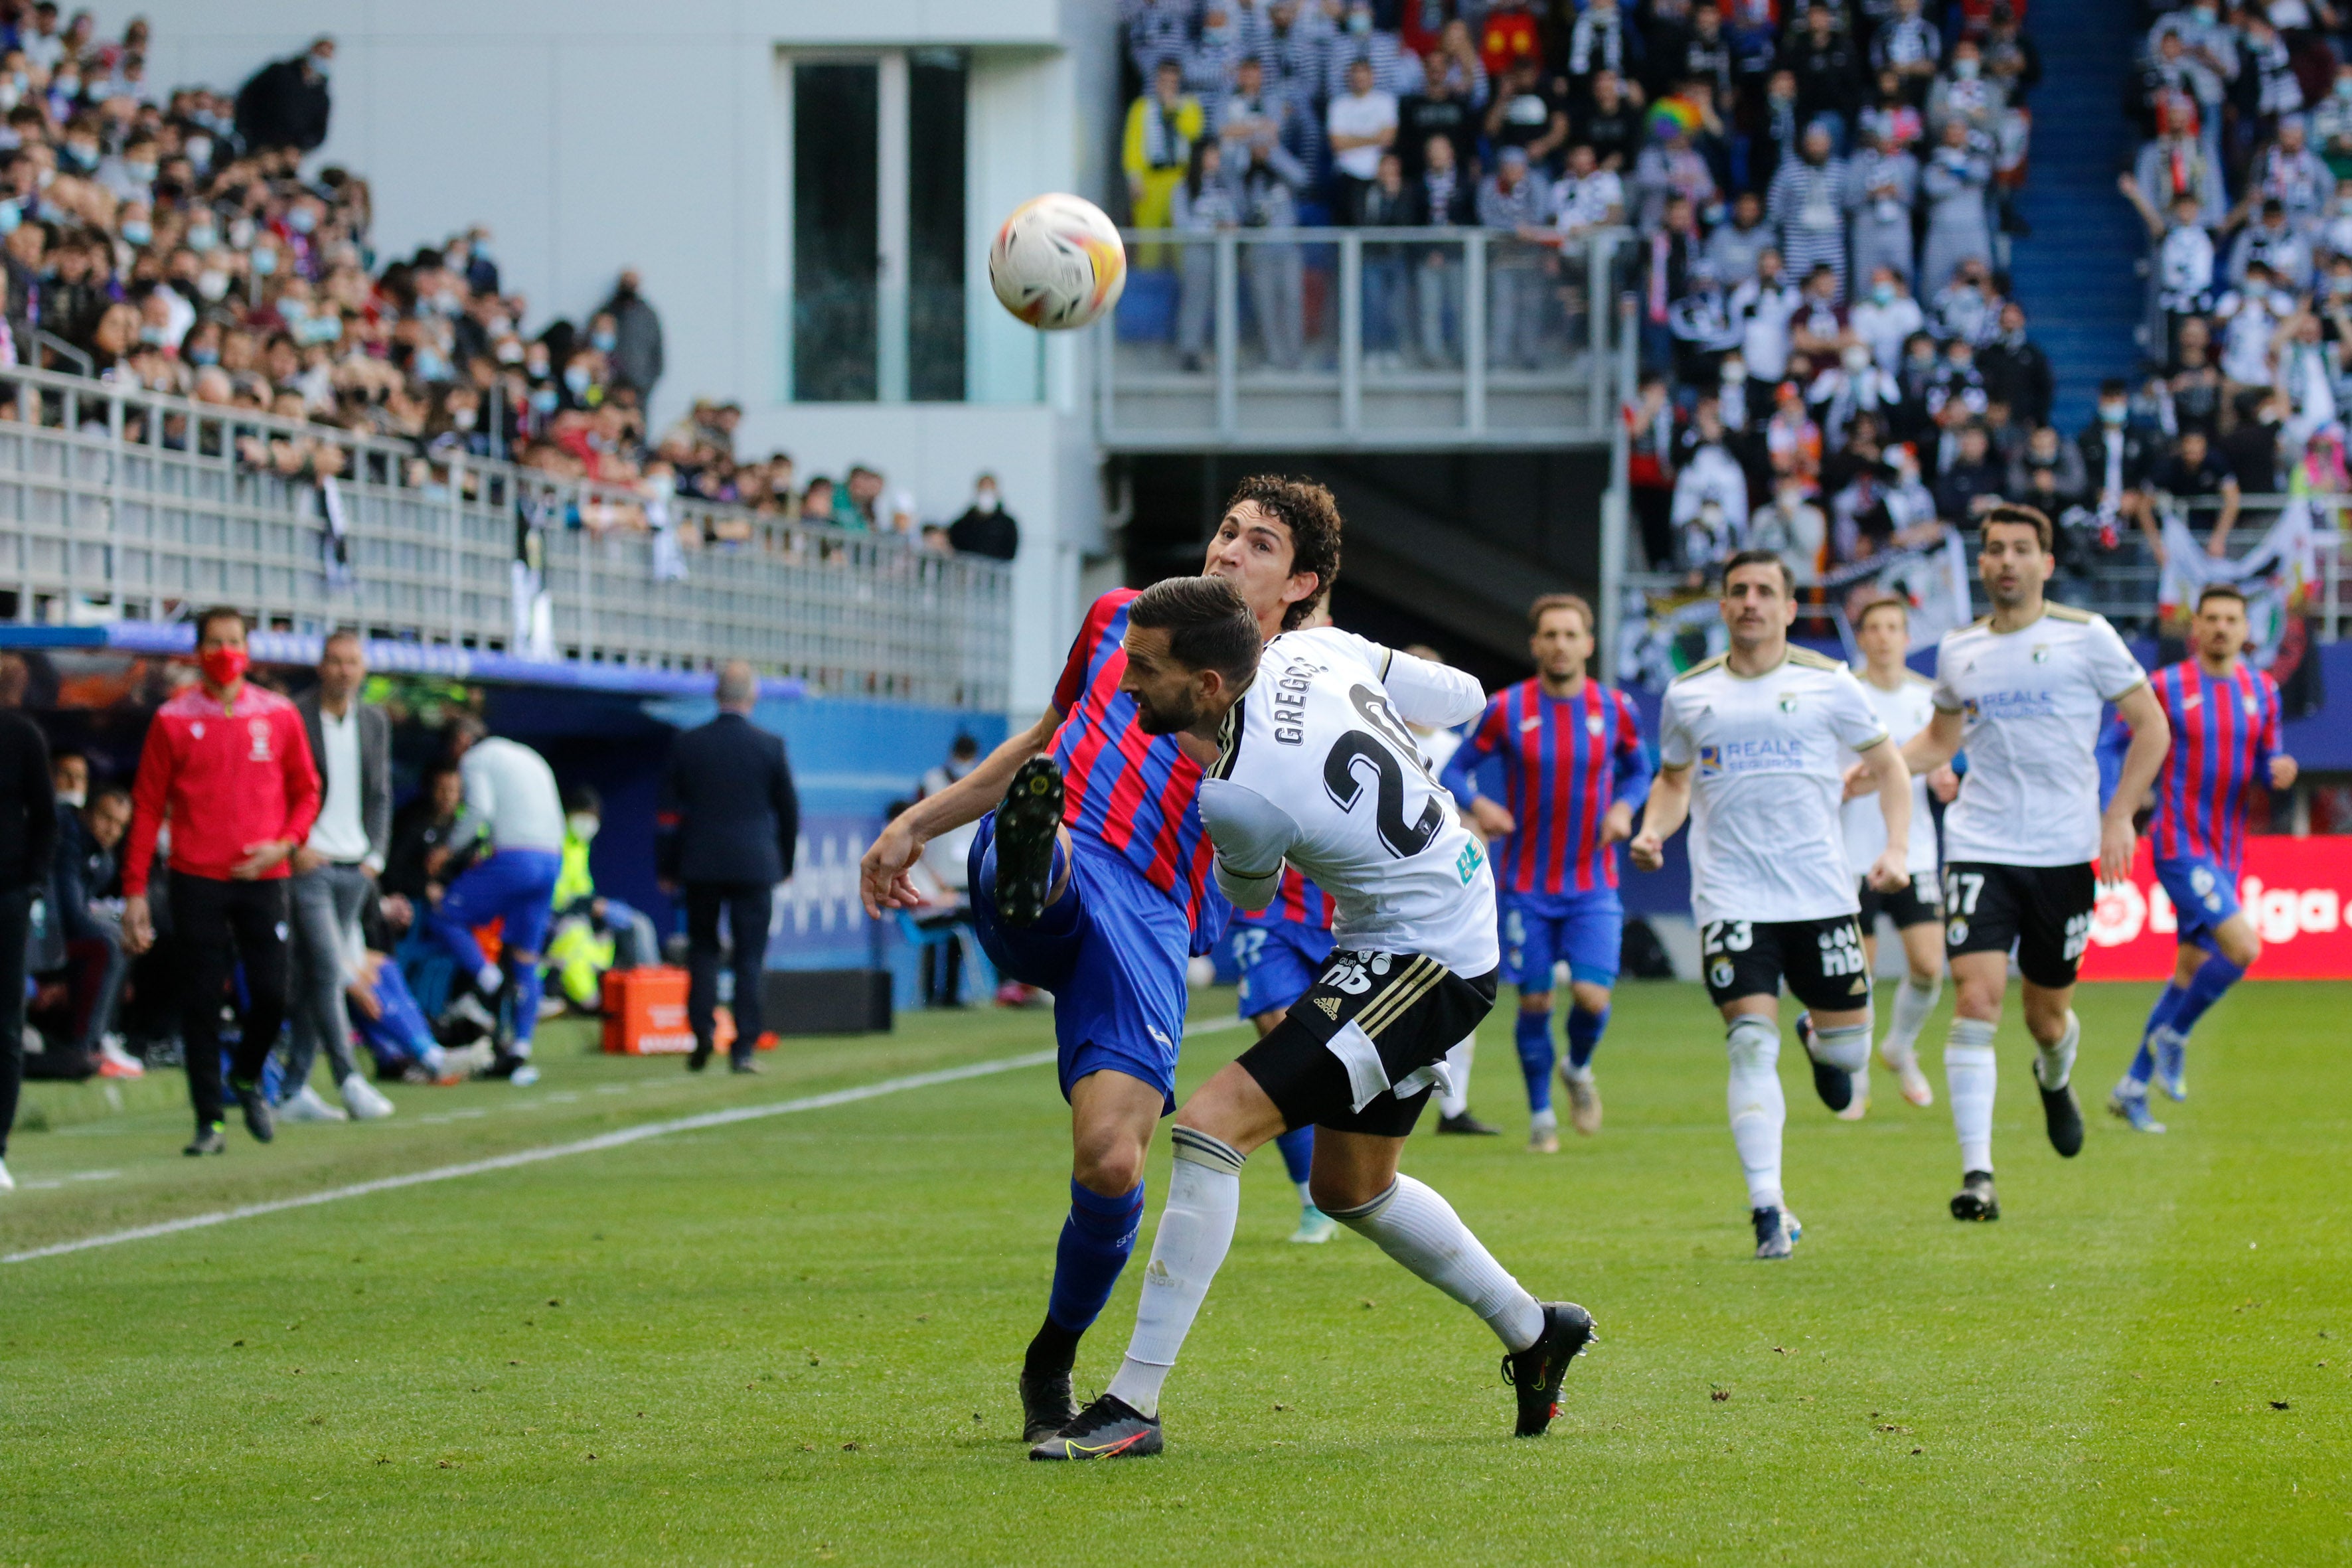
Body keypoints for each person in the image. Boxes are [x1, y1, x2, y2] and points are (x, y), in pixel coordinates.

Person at [1034, 576, 1593, 1460]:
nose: (1125, 682)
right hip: (1431, 920)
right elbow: (1461, 697)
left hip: (1422, 953)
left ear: (1210, 685)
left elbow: (1245, 891)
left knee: (1210, 1127)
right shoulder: (1311, 647)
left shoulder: (1236, 791)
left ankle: (1132, 1401)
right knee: (1351, 1188)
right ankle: (1535, 1331)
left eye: (1142, 668)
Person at [859, 476, 1337, 1446]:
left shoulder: (1300, 697)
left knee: (1113, 1161)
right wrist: (915, 823)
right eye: (1226, 530)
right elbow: (1045, 735)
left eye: (1258, 546)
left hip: (1153, 919)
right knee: (1047, 824)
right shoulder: (1120, 616)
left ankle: (1052, 1354)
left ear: (1299, 584)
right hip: (1071, 845)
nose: (1227, 550)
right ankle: (1033, 857)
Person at [1630, 553, 1914, 1260]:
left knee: (1848, 1059)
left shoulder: (1829, 685)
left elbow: (1890, 768)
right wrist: (1653, 827)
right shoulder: (1690, 693)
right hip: (1731, 898)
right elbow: (1672, 781)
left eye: (1766, 592)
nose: (1751, 602)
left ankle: (1821, 1039)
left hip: (1822, 893)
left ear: (1791, 608)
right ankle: (1766, 1208)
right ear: (1723, 608)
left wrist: (1899, 849)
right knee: (1750, 1042)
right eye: (1738, 592)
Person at [1891, 506, 2170, 1221]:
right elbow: (1939, 739)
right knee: (1977, 1000)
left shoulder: (2088, 638)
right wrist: (1883, 767)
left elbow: (2151, 727)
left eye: (2020, 549)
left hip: (2064, 850)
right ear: (1981, 565)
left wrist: (2118, 816)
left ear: (2046, 563)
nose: (2006, 561)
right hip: (1981, 845)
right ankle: (1977, 1173)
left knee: (2047, 1019)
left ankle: (2054, 1076)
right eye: (1994, 550)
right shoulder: (1959, 649)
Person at [1440, 595, 1650, 1148]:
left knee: (1591, 998)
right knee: (1534, 1000)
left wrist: (1627, 808)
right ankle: (1541, 1118)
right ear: (1535, 645)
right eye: (1549, 635)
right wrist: (1480, 806)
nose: (1560, 644)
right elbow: (1455, 770)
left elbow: (1638, 770)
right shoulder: (1507, 708)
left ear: (1588, 643)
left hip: (1592, 883)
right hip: (1526, 885)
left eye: (1569, 634)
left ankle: (1578, 1069)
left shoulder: (1615, 708)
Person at [121, 607, 321, 1155]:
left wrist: (285, 843)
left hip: (264, 875)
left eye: (233, 641)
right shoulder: (173, 719)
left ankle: (247, 1075)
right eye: (214, 641)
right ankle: (209, 1120)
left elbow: (307, 790)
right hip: (196, 878)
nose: (225, 651)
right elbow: (146, 807)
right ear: (197, 650)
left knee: (275, 996)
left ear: (248, 650)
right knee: (201, 1001)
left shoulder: (278, 715)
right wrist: (136, 889)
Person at [2109, 586, 2296, 1132]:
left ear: (2245, 629)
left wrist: (2277, 770)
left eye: (2230, 619)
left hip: (2228, 850)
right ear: (2194, 628)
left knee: (2189, 971)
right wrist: (2113, 808)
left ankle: (2132, 1086)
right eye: (2210, 618)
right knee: (2242, 947)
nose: (2220, 627)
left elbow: (2267, 763)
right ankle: (2174, 1037)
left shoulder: (2262, 690)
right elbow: (2112, 742)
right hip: (2178, 842)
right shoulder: (2164, 688)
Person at [1816, 597, 1948, 1117]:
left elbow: (1940, 756)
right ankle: (1858, 1076)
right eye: (1874, 627)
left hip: (1912, 850)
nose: (1884, 637)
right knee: (1858, 974)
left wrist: (1943, 778)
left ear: (1906, 636)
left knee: (1928, 965)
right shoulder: (1845, 693)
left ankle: (1898, 1046)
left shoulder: (1928, 697)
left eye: (1893, 627)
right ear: (1861, 636)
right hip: (1851, 852)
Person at [658, 661, 798, 1073]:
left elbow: (668, 816)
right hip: (756, 865)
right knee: (750, 956)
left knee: (702, 949)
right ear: (752, 697)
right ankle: (744, 1048)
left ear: (716, 696)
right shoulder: (770, 746)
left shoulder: (688, 744)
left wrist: (667, 867)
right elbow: (788, 813)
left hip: (700, 863)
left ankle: (701, 1032)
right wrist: (784, 863)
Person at [280, 630, 396, 1124]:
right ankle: (349, 1077)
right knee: (330, 969)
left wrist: (376, 857)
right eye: (335, 661)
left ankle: (291, 1091)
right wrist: (292, 845)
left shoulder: (374, 720)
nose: (343, 670)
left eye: (352, 662)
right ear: (320, 666)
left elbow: (381, 793)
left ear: (362, 669)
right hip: (312, 863)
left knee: (315, 979)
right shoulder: (295, 716)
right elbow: (277, 787)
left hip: (357, 864)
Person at [426, 716, 565, 1084]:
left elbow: (479, 811)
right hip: (551, 859)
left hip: (515, 858)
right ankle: (520, 1048)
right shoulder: (528, 756)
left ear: (462, 741)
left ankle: (489, 985)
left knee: (445, 914)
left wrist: (448, 849)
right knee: (525, 957)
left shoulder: (478, 759)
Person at [0, 693, 54, 1192]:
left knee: (5, 1027)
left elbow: (45, 816)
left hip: (7, 896)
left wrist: (30, 886)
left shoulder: (20, 736)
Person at [234, 35, 334, 153]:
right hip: (258, 143)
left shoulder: (321, 96)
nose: (321, 58)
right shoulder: (279, 72)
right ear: (312, 50)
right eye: (321, 53)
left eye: (326, 56)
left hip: (287, 153)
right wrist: (245, 131)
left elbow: (319, 131)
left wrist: (299, 147)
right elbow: (248, 97)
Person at [597, 270, 663, 399]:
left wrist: (646, 383)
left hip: (639, 386)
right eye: (626, 283)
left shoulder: (648, 315)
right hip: (609, 385)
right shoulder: (607, 311)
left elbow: (658, 354)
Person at [948, 474, 1019, 561]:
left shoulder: (1007, 525)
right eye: (983, 490)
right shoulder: (962, 524)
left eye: (990, 490)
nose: (986, 494)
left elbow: (1010, 553)